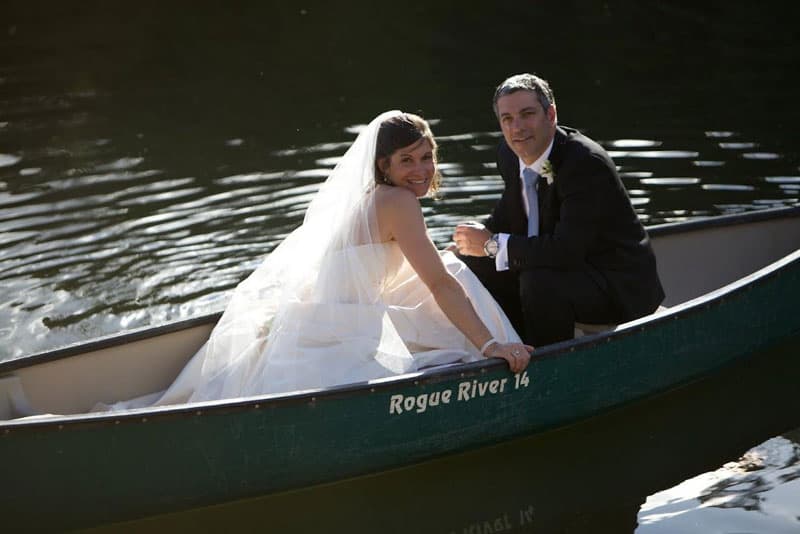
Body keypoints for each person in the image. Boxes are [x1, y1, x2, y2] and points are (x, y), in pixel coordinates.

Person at [98, 111, 531, 410]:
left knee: (448, 266)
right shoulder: (400, 201)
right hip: (343, 326)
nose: (421, 169)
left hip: (327, 310)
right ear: (383, 164)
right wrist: (488, 344)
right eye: (407, 160)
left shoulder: (371, 197)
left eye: (427, 156)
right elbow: (439, 284)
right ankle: (505, 360)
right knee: (453, 274)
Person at [453, 74, 665, 347]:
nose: (516, 128)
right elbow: (511, 213)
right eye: (507, 119)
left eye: (526, 114)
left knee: (538, 280)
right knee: (472, 263)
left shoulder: (584, 163)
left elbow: (567, 250)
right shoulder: (509, 154)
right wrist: (466, 243)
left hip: (615, 286)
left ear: (550, 114)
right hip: (566, 271)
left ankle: (546, 367)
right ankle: (511, 346)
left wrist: (493, 245)